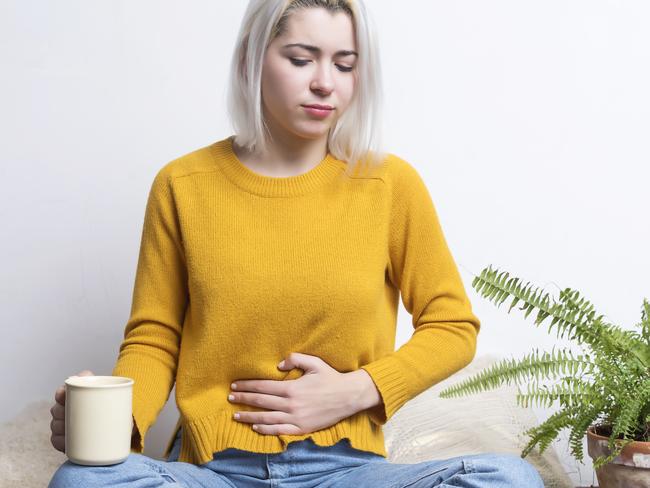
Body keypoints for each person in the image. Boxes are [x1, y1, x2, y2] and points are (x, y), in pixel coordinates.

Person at [48, 1, 545, 486]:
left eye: (345, 65)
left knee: (510, 479)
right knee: (79, 481)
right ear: (251, 57)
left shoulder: (390, 184)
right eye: (301, 59)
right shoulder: (183, 184)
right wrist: (112, 426)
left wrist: (356, 391)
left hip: (348, 470)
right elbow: (153, 339)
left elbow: (452, 325)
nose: (325, 82)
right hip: (212, 471)